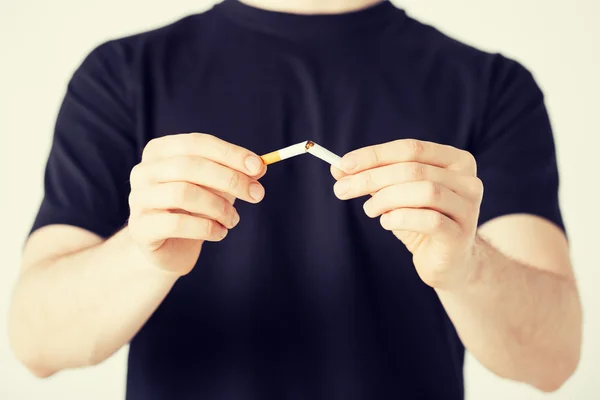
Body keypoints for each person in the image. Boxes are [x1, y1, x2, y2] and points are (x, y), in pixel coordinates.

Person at [8, 0, 582, 399]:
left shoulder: (491, 86)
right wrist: (141, 254)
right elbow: (36, 342)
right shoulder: (122, 75)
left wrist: (466, 266)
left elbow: (553, 358)